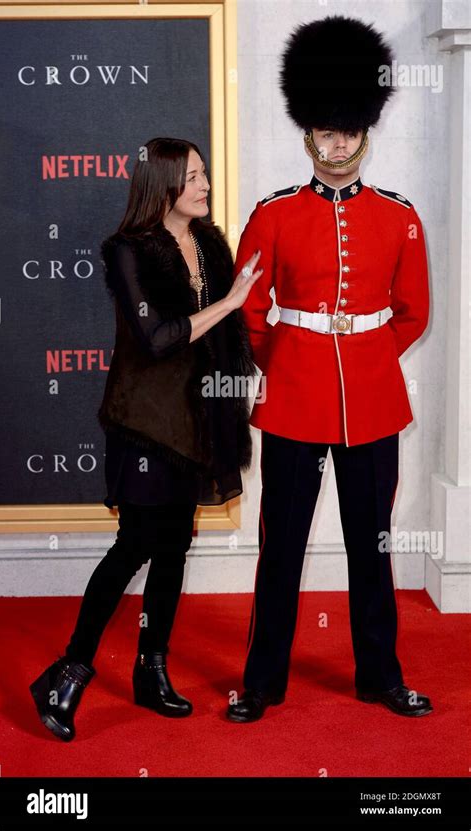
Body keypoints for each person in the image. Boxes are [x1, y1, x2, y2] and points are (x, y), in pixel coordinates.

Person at [227, 15, 433, 722]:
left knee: (371, 549)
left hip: (372, 405)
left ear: (365, 131)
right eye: (326, 130)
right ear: (308, 133)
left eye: (347, 130)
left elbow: (413, 312)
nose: (337, 141)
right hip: (292, 400)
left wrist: (366, 357)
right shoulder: (273, 215)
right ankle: (261, 682)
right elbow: (251, 315)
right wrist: (289, 363)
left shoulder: (399, 217)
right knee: (280, 547)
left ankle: (381, 677)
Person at [29, 137, 262, 741]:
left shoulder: (211, 245)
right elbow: (157, 339)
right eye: (193, 177)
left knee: (176, 545)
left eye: (205, 173)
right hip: (143, 421)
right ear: (163, 186)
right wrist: (232, 301)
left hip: (196, 421)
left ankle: (149, 669)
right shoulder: (127, 251)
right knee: (134, 543)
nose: (206, 185)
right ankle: (68, 673)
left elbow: (224, 339)